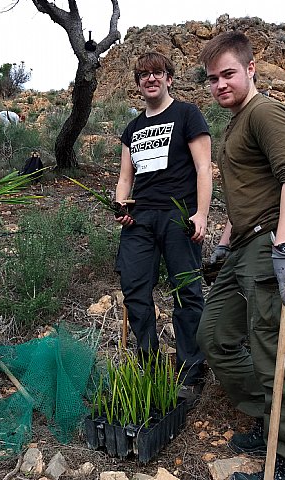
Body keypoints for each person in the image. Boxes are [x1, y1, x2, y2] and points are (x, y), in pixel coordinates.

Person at [196, 32, 285, 480]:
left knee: (276, 351)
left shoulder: (265, 112)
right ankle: (270, 419)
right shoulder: (238, 121)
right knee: (214, 336)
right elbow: (244, 192)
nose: (220, 84)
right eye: (212, 78)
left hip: (272, 242)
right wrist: (225, 243)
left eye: (228, 73)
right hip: (245, 244)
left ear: (250, 69)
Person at [114, 52, 212, 405]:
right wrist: (120, 205)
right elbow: (126, 177)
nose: (150, 79)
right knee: (135, 290)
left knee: (186, 292)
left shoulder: (187, 114)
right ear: (138, 83)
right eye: (144, 74)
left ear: (170, 78)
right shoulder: (133, 128)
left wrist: (201, 213)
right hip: (141, 219)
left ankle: (191, 369)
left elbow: (204, 168)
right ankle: (150, 365)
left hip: (178, 214)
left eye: (157, 73)